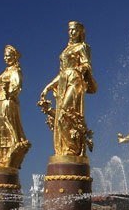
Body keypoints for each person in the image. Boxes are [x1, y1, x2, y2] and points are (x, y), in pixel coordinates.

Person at [39, 21, 97, 157]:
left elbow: (87, 64)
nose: (71, 32)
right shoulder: (66, 49)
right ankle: (64, 149)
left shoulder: (83, 46)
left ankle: (73, 149)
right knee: (60, 116)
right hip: (63, 81)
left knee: (66, 112)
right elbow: (61, 73)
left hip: (75, 81)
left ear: (80, 32)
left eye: (74, 30)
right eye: (69, 30)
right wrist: (48, 87)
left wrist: (80, 69)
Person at [0, 45, 30, 168]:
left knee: (7, 130)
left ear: (14, 57)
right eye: (5, 56)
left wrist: (9, 91)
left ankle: (7, 158)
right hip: (0, 101)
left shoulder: (15, 71)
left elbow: (17, 86)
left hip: (8, 103)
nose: (6, 58)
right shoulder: (6, 71)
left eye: (8, 56)